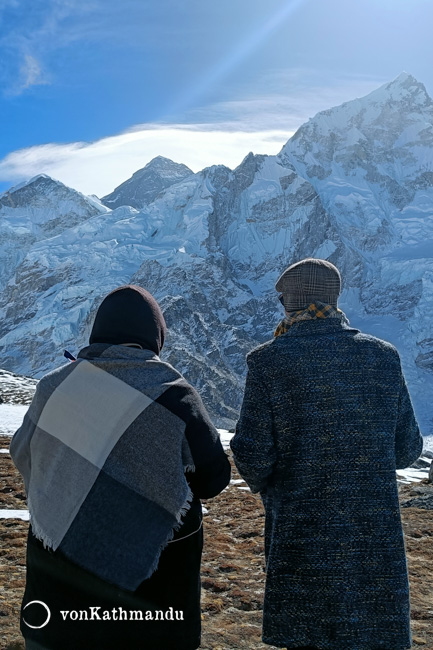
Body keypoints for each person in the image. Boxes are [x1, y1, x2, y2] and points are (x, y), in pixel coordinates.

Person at [10, 285, 231, 650]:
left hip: (58, 590)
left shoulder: (54, 386)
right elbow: (212, 478)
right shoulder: (173, 392)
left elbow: (23, 453)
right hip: (154, 593)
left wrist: (68, 484)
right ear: (154, 336)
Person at [230, 258, 423, 650]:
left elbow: (252, 455)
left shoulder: (269, 361)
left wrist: (271, 484)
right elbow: (407, 450)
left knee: (308, 637)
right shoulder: (383, 356)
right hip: (375, 546)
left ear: (289, 303)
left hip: (303, 538)